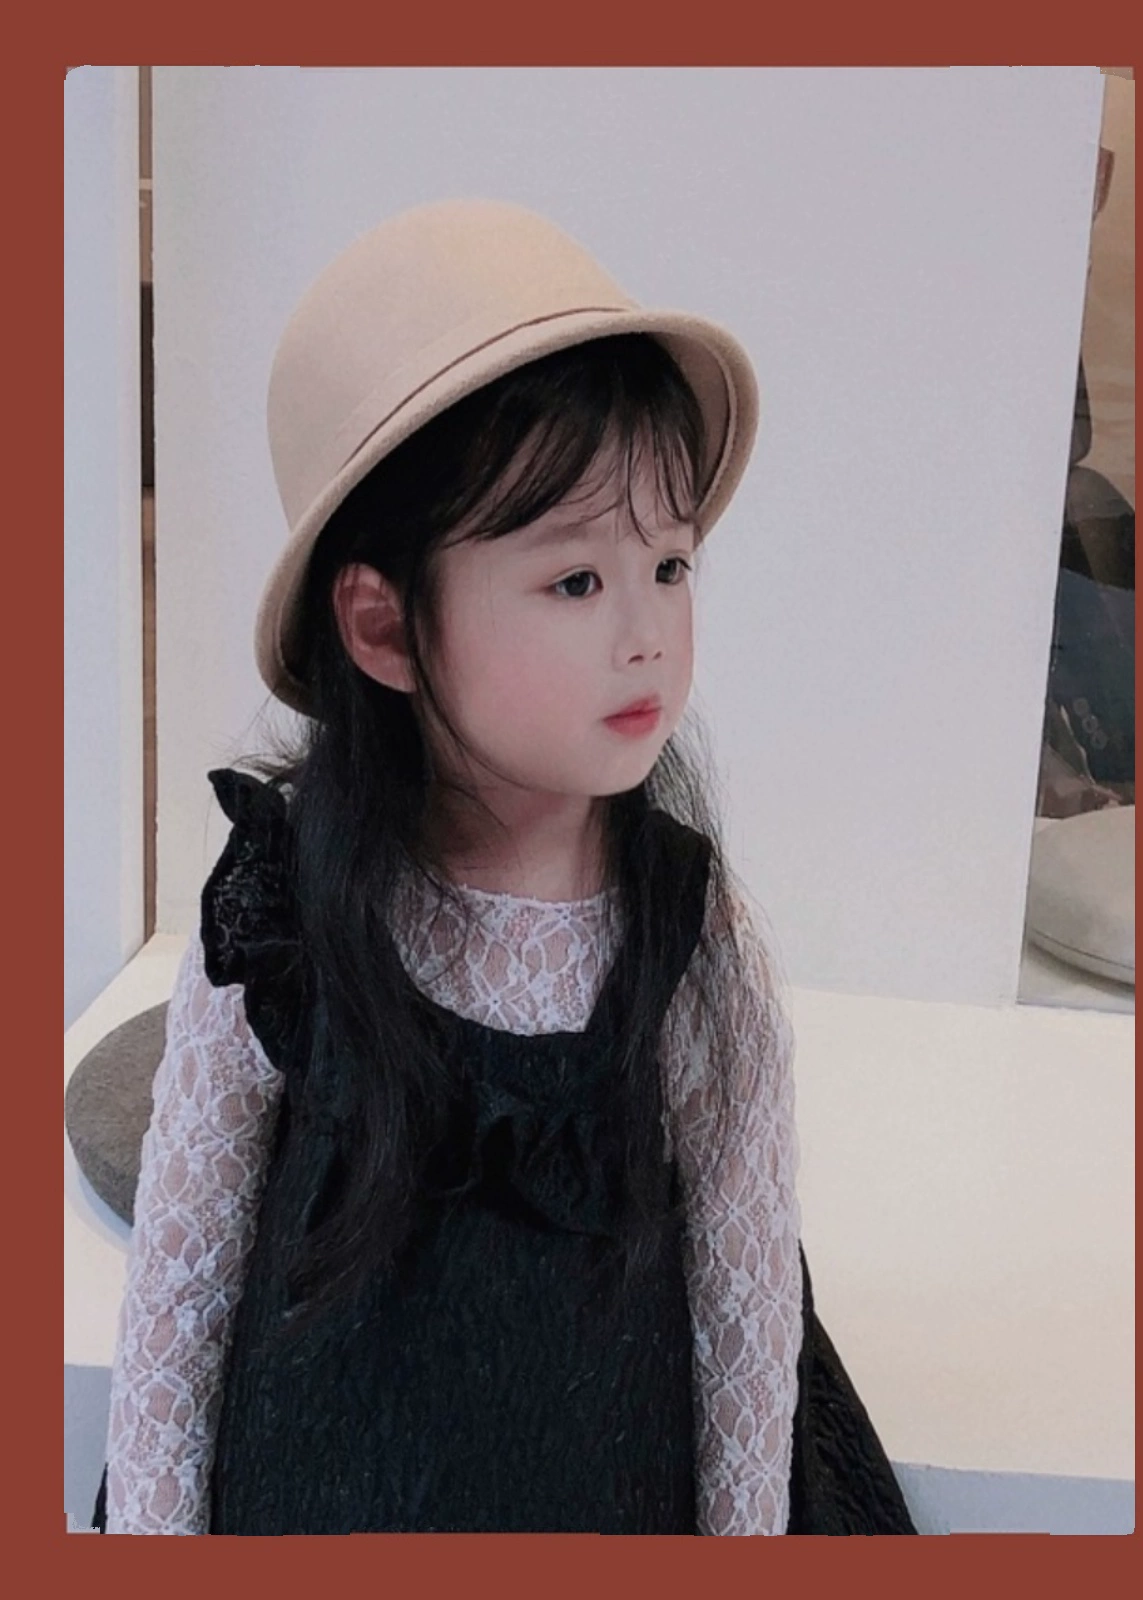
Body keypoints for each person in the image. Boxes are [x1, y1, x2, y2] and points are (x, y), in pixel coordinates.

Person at [96, 200, 915, 1535]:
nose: (649, 633)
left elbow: (747, 1299)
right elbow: (182, 1286)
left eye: (669, 563)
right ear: (384, 628)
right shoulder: (286, 914)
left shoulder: (685, 934)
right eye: (575, 583)